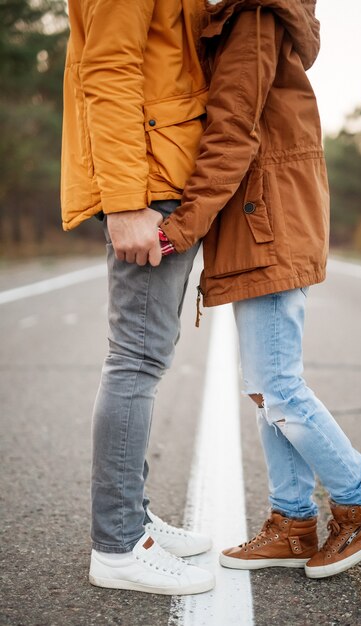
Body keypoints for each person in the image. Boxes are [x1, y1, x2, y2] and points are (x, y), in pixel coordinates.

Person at [160, 0, 361, 578]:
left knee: (278, 386)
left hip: (264, 218)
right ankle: (293, 524)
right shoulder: (248, 17)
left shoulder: (255, 18)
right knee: (267, 388)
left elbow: (232, 129)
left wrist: (181, 227)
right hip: (262, 219)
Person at [60, 0, 215, 595]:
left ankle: (133, 519)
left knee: (145, 356)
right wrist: (125, 202)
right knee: (136, 358)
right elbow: (108, 68)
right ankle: (119, 546)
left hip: (162, 174)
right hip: (146, 187)